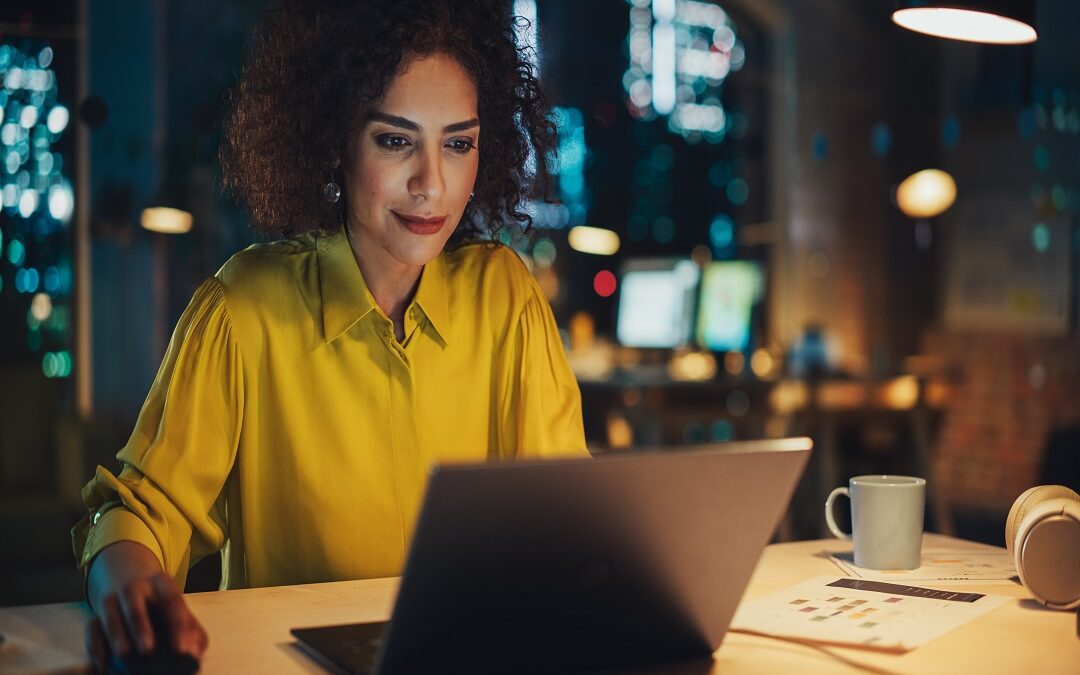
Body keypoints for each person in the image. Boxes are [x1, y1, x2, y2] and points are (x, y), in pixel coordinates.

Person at [71, 0, 588, 669]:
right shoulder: (243, 307)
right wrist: (129, 582)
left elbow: (568, 522)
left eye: (458, 143)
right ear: (336, 139)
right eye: (395, 140)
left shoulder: (507, 299)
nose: (431, 184)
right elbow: (141, 510)